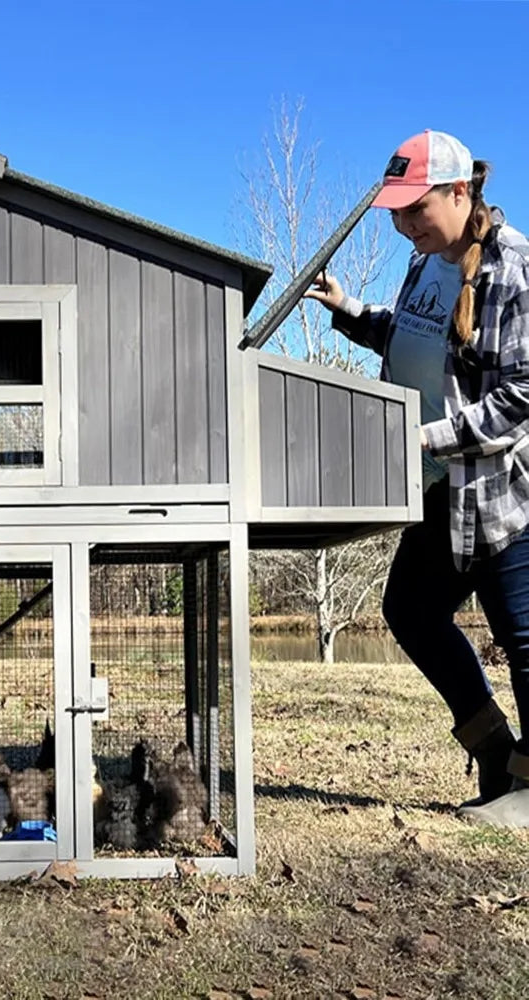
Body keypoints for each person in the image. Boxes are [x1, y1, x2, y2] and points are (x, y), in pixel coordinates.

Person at [304, 130, 529, 827]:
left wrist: (422, 436)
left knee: (524, 639)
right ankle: (497, 752)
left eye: (416, 208)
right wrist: (348, 313)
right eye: (396, 212)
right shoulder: (424, 260)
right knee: (410, 610)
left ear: (461, 193)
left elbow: (520, 395)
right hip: (433, 489)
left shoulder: (513, 268)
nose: (404, 224)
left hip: (498, 495)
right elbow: (410, 336)